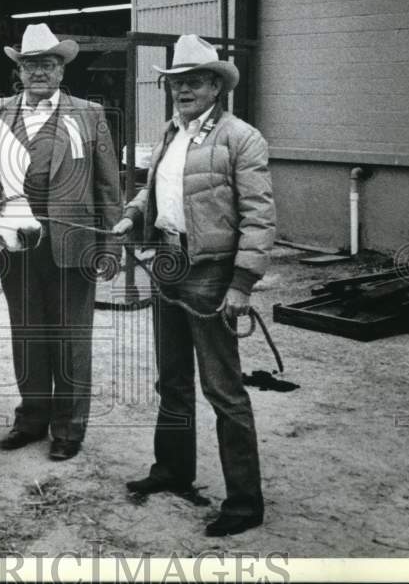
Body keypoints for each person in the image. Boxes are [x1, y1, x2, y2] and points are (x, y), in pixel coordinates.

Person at [111, 34, 276, 537]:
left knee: (224, 390)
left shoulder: (241, 138)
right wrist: (131, 215)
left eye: (194, 81)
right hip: (168, 263)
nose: (183, 90)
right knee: (173, 380)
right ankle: (172, 469)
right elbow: (153, 186)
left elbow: (259, 215)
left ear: (215, 87)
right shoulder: (170, 133)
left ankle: (245, 502)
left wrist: (242, 284)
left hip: (210, 275)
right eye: (176, 82)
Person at [0, 24, 121, 461]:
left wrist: (110, 244)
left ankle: (69, 427)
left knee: (71, 337)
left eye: (48, 63)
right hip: (16, 243)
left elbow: (107, 186)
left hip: (72, 242)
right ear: (18, 70)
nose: (38, 71)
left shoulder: (89, 114)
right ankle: (32, 417)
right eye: (30, 64)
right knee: (27, 332)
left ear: (61, 70)